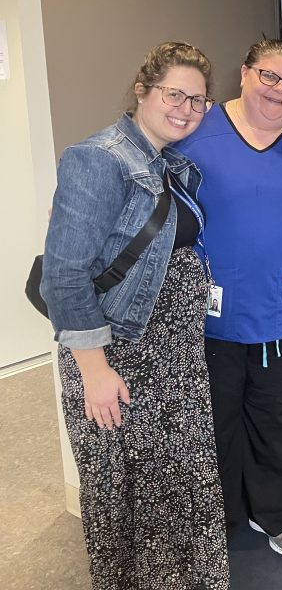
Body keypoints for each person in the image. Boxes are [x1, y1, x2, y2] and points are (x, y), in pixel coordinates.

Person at [42, 42, 229, 589]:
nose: (187, 108)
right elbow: (64, 276)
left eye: (198, 100)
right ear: (142, 92)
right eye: (175, 94)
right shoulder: (98, 159)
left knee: (177, 484)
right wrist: (94, 372)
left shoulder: (171, 164)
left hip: (175, 356)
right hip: (121, 356)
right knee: (126, 491)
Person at [176, 38, 282, 557]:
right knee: (216, 422)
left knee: (277, 421)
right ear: (244, 74)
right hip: (208, 316)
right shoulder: (196, 132)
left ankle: (273, 512)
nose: (279, 90)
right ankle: (219, 518)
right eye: (269, 76)